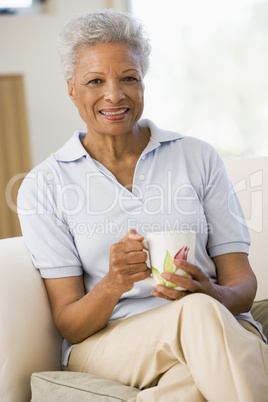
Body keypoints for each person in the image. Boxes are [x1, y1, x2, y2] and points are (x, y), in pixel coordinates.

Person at [18, 9, 268, 402]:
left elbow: (243, 284)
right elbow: (71, 323)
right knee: (200, 316)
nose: (114, 94)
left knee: (190, 379)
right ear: (71, 89)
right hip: (111, 342)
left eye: (128, 79)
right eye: (95, 81)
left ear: (143, 83)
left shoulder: (197, 157)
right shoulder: (45, 185)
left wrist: (213, 293)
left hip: (215, 324)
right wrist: (114, 283)